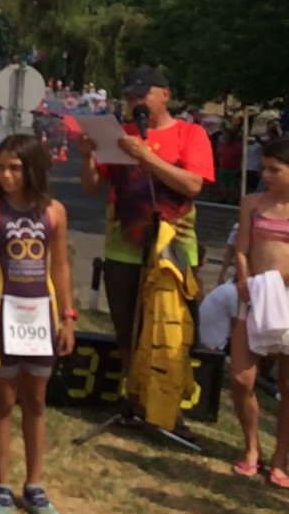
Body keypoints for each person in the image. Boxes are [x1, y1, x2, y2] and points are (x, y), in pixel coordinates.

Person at [77, 66, 213, 425]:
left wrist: (146, 156)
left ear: (165, 94)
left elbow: (193, 185)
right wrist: (88, 156)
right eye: (130, 97)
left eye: (143, 95)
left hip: (174, 248)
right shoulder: (119, 135)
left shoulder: (190, 133)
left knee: (171, 327)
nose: (136, 102)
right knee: (127, 327)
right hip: (123, 246)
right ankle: (134, 399)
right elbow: (92, 186)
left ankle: (170, 409)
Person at [0, 135, 75, 514]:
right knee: (3, 398)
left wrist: (68, 317)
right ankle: (0, 483)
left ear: (33, 169)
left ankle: (34, 484)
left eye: (15, 168)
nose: (7, 175)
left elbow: (60, 265)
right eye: (1, 167)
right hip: (3, 313)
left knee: (36, 400)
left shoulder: (55, 212)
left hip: (42, 316)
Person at [229, 136, 289, 487]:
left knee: (287, 384)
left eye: (274, 170)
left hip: (285, 296)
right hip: (254, 295)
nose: (265, 175)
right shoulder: (252, 203)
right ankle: (252, 446)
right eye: (263, 168)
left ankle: (281, 456)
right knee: (241, 377)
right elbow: (242, 247)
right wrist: (244, 279)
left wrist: (278, 279)